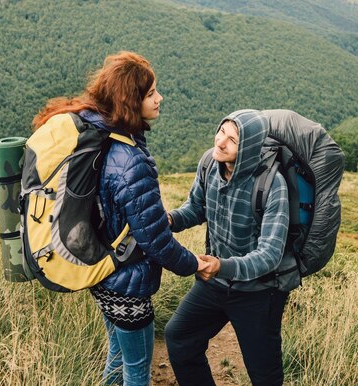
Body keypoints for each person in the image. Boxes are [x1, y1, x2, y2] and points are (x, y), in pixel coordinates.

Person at [32, 51, 206, 386]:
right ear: (131, 101)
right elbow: (155, 242)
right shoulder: (129, 160)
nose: (160, 98)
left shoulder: (99, 133)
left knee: (117, 357)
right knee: (137, 371)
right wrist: (194, 265)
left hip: (102, 272)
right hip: (128, 284)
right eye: (151, 93)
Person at [165, 109, 300, 386]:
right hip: (215, 282)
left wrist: (221, 266)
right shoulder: (208, 163)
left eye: (232, 140)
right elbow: (196, 207)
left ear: (249, 147)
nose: (220, 142)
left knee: (264, 374)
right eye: (221, 131)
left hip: (259, 292)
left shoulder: (272, 185)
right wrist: (170, 219)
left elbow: (270, 255)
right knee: (179, 337)